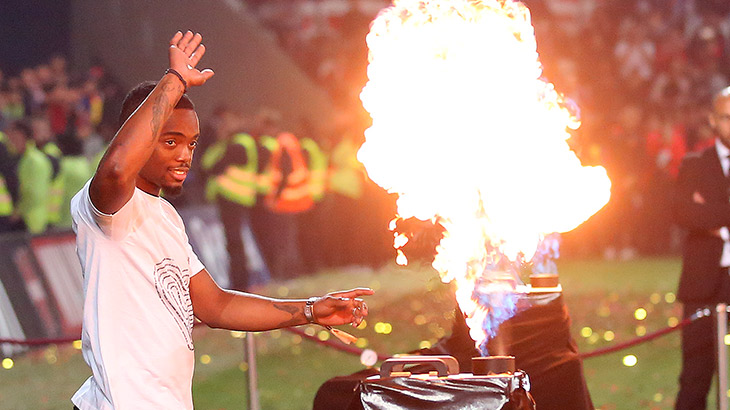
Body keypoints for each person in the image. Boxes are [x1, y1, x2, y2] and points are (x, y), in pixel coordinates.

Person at [70, 31, 372, 409]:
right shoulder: (104, 207)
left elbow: (215, 305)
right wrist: (175, 80)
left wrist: (310, 310)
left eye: (191, 143)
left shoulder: (165, 216)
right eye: (170, 141)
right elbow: (116, 169)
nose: (185, 155)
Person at [674, 86, 730, 410]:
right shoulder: (694, 164)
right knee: (695, 376)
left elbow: (699, 214)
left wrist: (709, 211)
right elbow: (683, 213)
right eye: (726, 118)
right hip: (702, 284)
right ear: (713, 120)